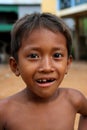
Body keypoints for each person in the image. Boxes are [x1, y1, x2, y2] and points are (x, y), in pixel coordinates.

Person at [0, 12, 87, 130]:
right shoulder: (4, 112)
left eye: (57, 55)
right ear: (15, 66)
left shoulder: (74, 99)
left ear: (67, 64)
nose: (46, 67)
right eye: (33, 56)